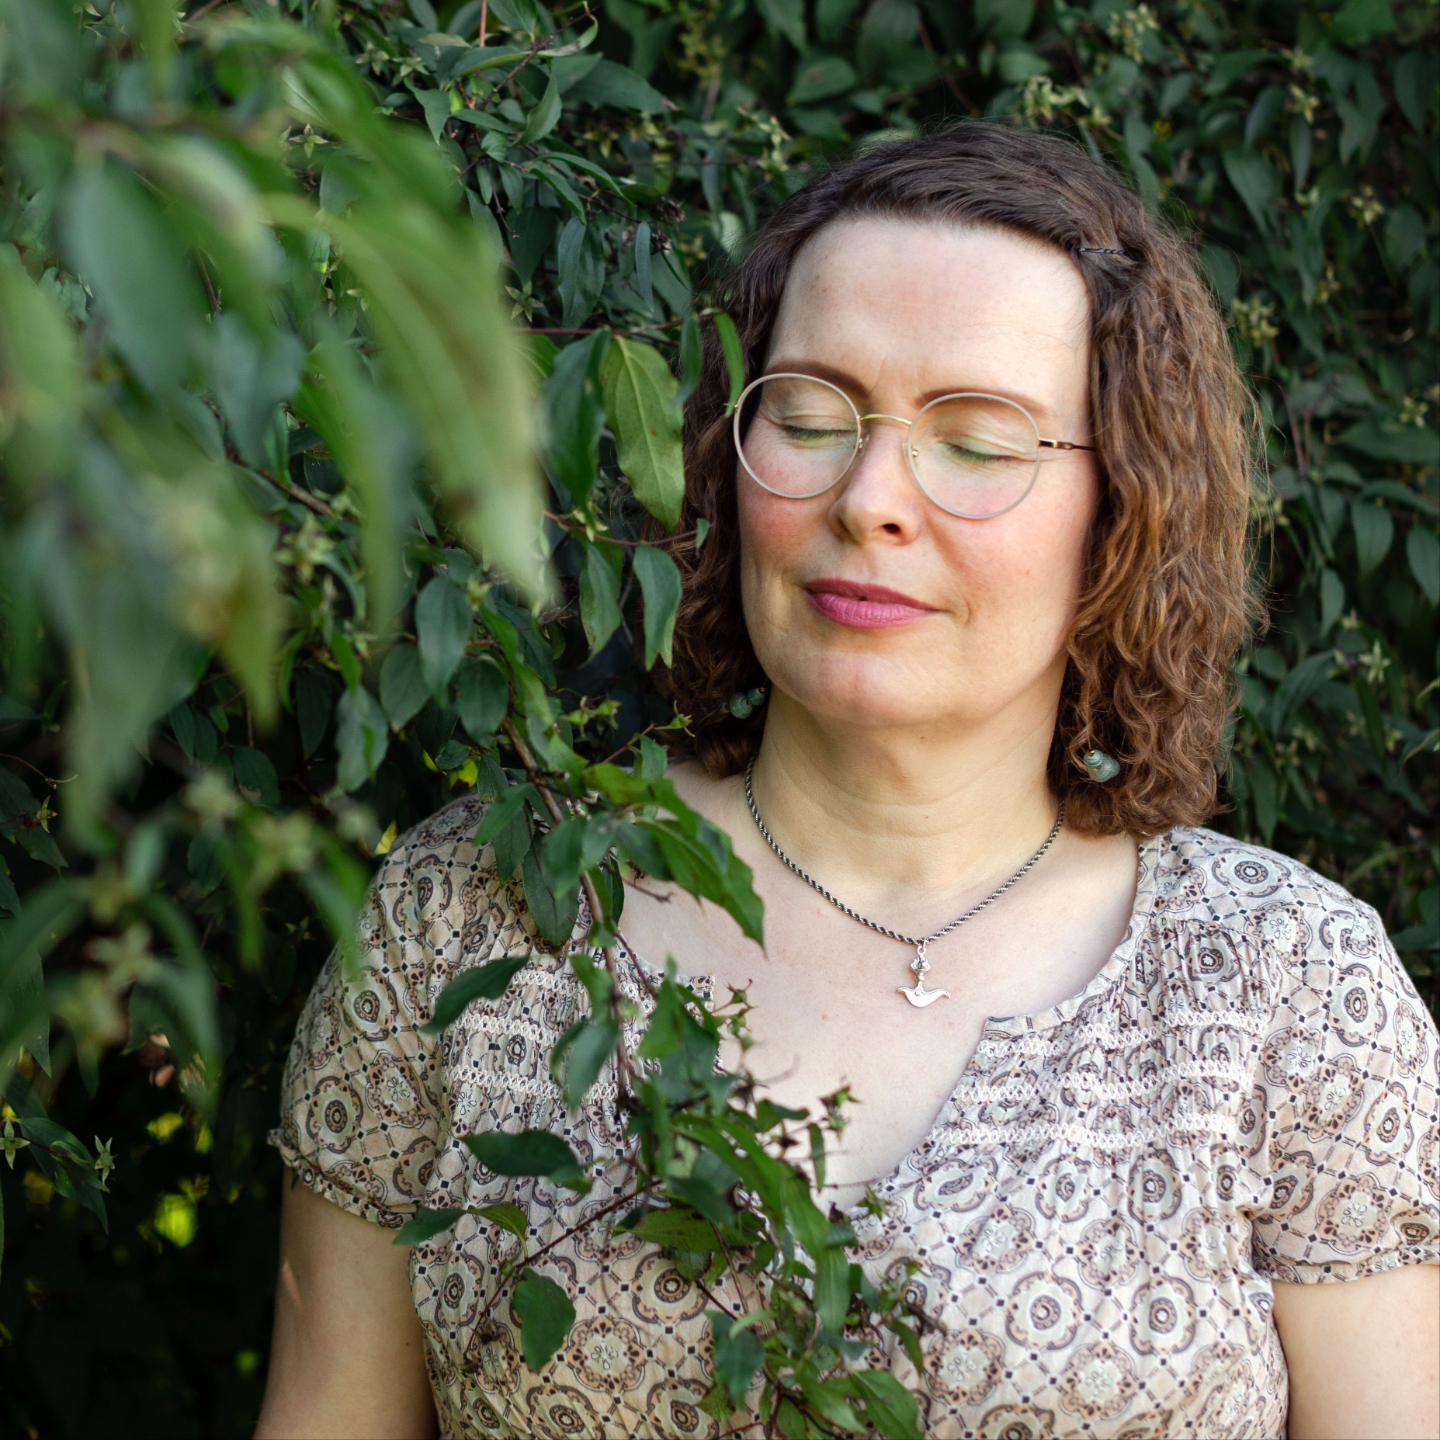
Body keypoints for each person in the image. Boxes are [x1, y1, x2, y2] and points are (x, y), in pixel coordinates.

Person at [256, 124, 1440, 1440]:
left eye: (977, 442)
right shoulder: (475, 912)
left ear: (1126, 509)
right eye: (812, 417)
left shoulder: (1287, 988)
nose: (870, 497)